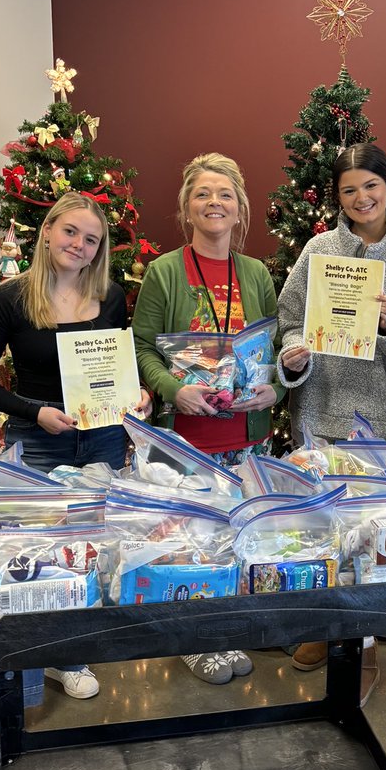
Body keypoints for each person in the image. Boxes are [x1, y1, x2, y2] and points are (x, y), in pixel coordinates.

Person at [0, 191, 152, 702]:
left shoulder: (110, 296)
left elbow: (113, 366)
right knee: (38, 552)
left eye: (92, 240)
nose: (79, 245)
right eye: (70, 231)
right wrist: (33, 412)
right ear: (47, 231)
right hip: (39, 439)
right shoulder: (10, 298)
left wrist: (137, 394)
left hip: (103, 436)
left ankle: (75, 647)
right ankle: (46, 654)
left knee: (90, 546)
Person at [276, 143, 386, 675]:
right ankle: (321, 627)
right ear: (338, 197)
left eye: (370, 185)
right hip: (318, 410)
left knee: (369, 530)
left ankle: (362, 638)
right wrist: (294, 352)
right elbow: (289, 319)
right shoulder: (318, 249)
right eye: (349, 190)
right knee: (319, 527)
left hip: (378, 420)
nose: (361, 197)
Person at [132, 152, 282, 685]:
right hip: (186, 441)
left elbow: (273, 348)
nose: (214, 202)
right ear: (186, 208)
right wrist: (174, 389)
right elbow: (143, 347)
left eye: (224, 194)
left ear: (240, 208)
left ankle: (234, 628)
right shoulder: (165, 272)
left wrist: (275, 388)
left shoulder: (256, 273)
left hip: (247, 439)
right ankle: (194, 640)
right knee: (190, 545)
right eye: (202, 193)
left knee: (239, 539)